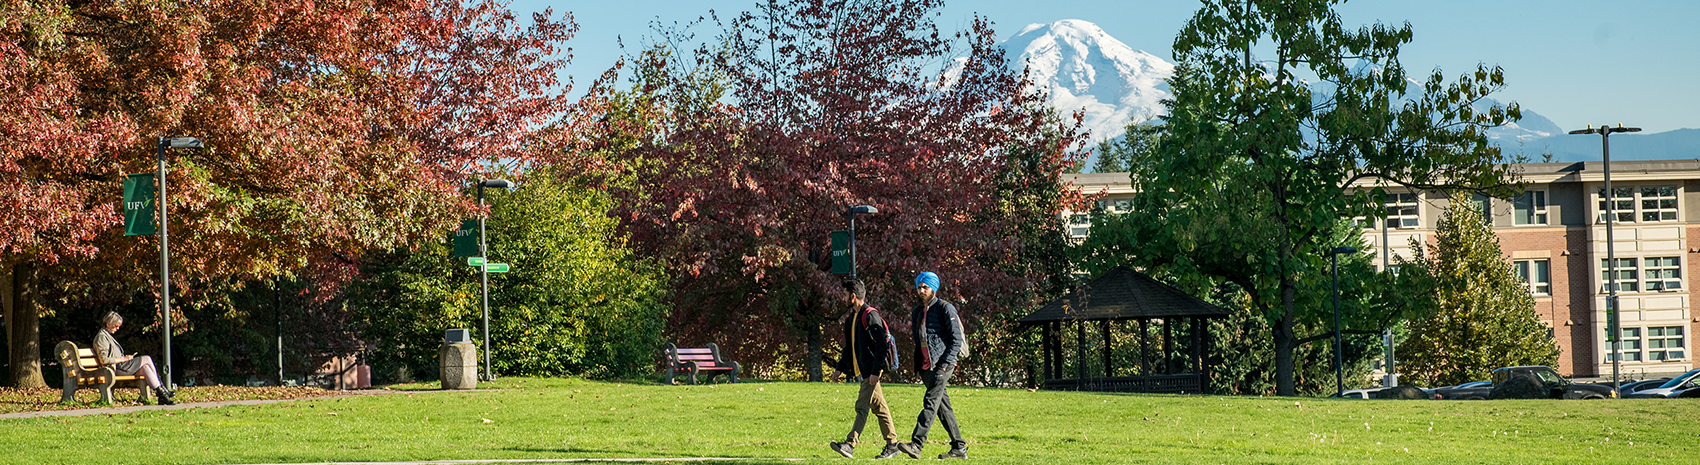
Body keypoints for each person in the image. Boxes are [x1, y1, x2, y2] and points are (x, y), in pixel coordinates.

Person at [895, 271, 967, 459]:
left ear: (933, 288)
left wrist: (945, 364)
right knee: (943, 407)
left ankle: (917, 445)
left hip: (942, 364)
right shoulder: (917, 311)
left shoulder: (945, 308)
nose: (921, 290)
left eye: (925, 287)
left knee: (930, 402)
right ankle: (959, 448)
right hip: (926, 366)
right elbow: (918, 339)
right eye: (919, 287)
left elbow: (955, 339)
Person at [827, 280, 902, 459]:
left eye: (845, 294)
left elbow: (882, 346)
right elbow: (849, 348)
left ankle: (850, 444)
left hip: (871, 372)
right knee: (880, 408)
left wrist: (876, 371)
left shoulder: (870, 316)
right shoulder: (851, 319)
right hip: (864, 371)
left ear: (853, 296)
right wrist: (839, 369)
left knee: (862, 407)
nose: (843, 298)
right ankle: (892, 445)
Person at [94, 311, 176, 405]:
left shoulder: (107, 336)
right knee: (147, 359)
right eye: (116, 325)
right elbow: (104, 360)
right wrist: (124, 359)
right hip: (115, 369)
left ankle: (162, 396)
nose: (118, 328)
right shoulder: (102, 337)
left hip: (120, 367)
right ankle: (163, 389)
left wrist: (125, 358)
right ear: (108, 324)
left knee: (145, 368)